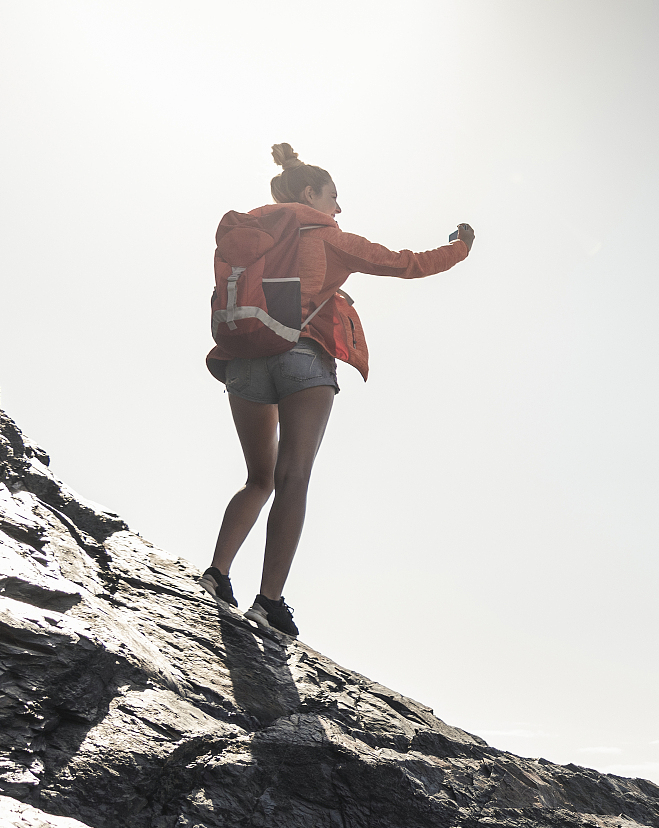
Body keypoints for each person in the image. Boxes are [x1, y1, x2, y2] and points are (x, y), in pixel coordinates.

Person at [200, 143, 473, 637]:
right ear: (310, 193)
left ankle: (215, 575)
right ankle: (268, 601)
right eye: (333, 196)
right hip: (303, 357)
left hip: (243, 358)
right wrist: (460, 247)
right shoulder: (328, 237)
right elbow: (407, 263)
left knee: (258, 478)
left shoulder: (250, 234)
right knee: (293, 476)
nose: (339, 208)